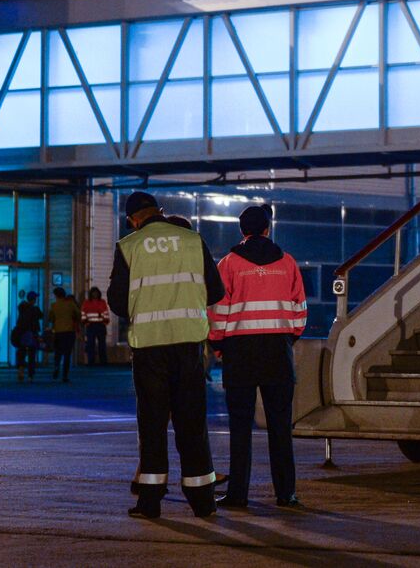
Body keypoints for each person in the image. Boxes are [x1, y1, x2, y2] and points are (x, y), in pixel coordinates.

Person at [108, 191, 225, 519]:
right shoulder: (192, 240)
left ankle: (150, 501)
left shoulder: (128, 246)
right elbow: (216, 290)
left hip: (149, 347)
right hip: (188, 344)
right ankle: (203, 500)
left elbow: (117, 301)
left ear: (133, 220)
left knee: (152, 425)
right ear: (159, 211)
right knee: (192, 423)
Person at [208, 205, 308, 510]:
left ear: (242, 231)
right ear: (267, 229)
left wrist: (219, 345)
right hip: (277, 352)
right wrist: (286, 339)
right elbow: (300, 311)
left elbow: (218, 311)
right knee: (280, 427)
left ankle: (238, 494)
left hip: (240, 353)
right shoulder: (288, 262)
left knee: (240, 428)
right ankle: (286, 494)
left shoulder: (228, 264)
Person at [48, 286, 80, 383]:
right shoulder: (70, 304)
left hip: (58, 332)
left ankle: (56, 366)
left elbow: (51, 318)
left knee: (58, 352)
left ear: (56, 295)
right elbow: (78, 314)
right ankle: (65, 375)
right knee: (67, 354)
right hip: (69, 331)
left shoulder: (54, 305)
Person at [11, 291, 43, 383]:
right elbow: (41, 316)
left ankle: (20, 371)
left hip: (22, 334)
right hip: (32, 334)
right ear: (33, 299)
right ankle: (30, 375)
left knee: (21, 353)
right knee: (31, 355)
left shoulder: (22, 307)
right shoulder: (35, 309)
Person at [81, 286, 111, 366]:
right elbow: (83, 313)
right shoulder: (87, 302)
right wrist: (85, 322)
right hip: (91, 325)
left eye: (96, 293)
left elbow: (105, 312)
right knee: (91, 344)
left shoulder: (102, 302)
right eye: (94, 293)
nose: (95, 294)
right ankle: (91, 361)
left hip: (100, 325)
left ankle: (103, 361)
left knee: (102, 344)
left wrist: (105, 321)